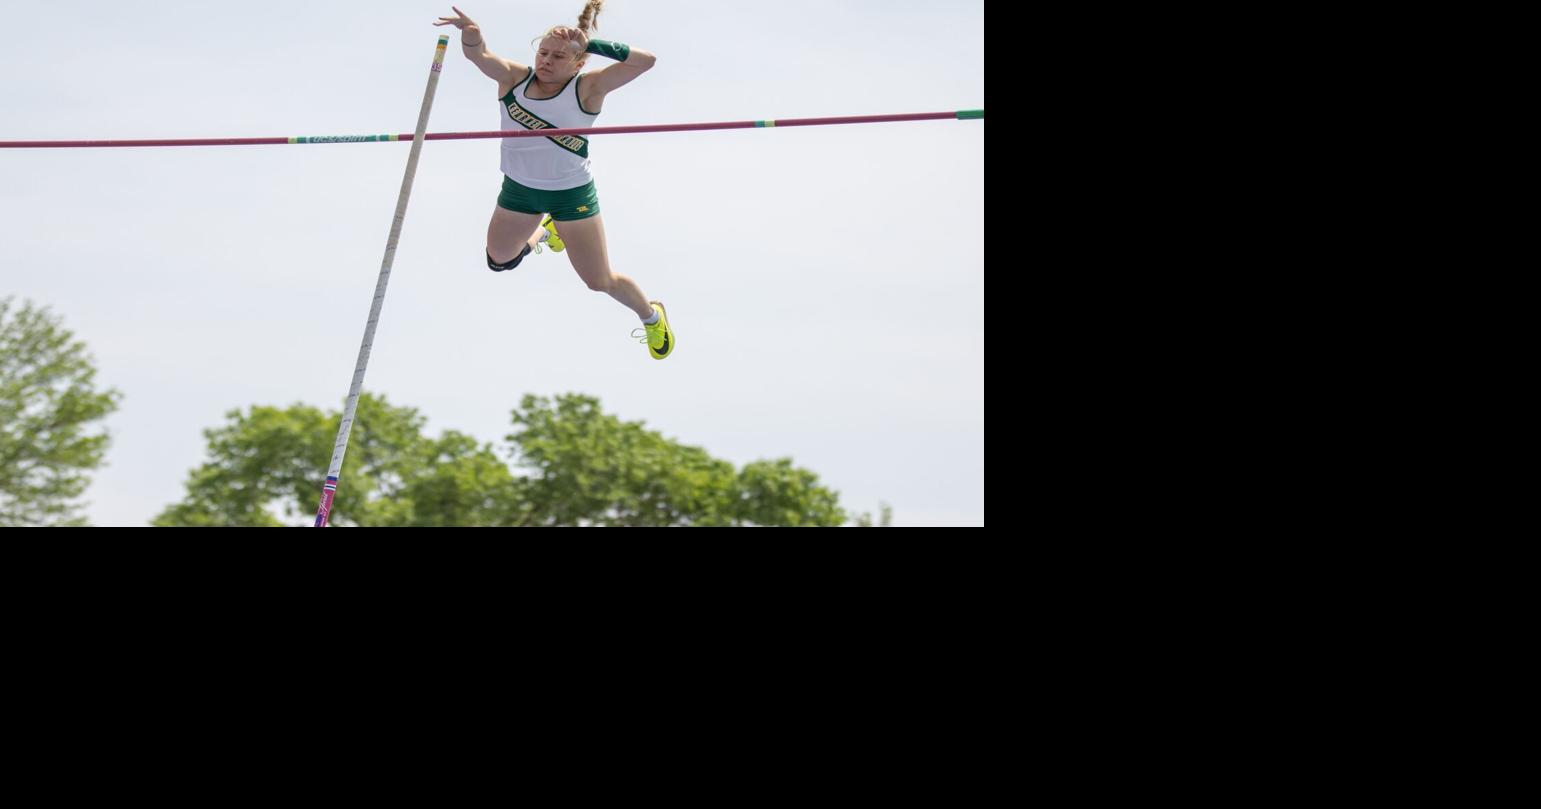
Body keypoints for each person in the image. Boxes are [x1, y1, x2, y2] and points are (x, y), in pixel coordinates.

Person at [436, 1, 673, 359]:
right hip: (519, 190)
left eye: (559, 57)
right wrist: (473, 37)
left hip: (570, 196)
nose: (546, 61)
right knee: (499, 259)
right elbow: (479, 56)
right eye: (543, 52)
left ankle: (651, 315)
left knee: (599, 281)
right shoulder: (514, 78)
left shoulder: (588, 88)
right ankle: (546, 231)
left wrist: (592, 45)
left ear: (579, 63)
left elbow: (646, 61)